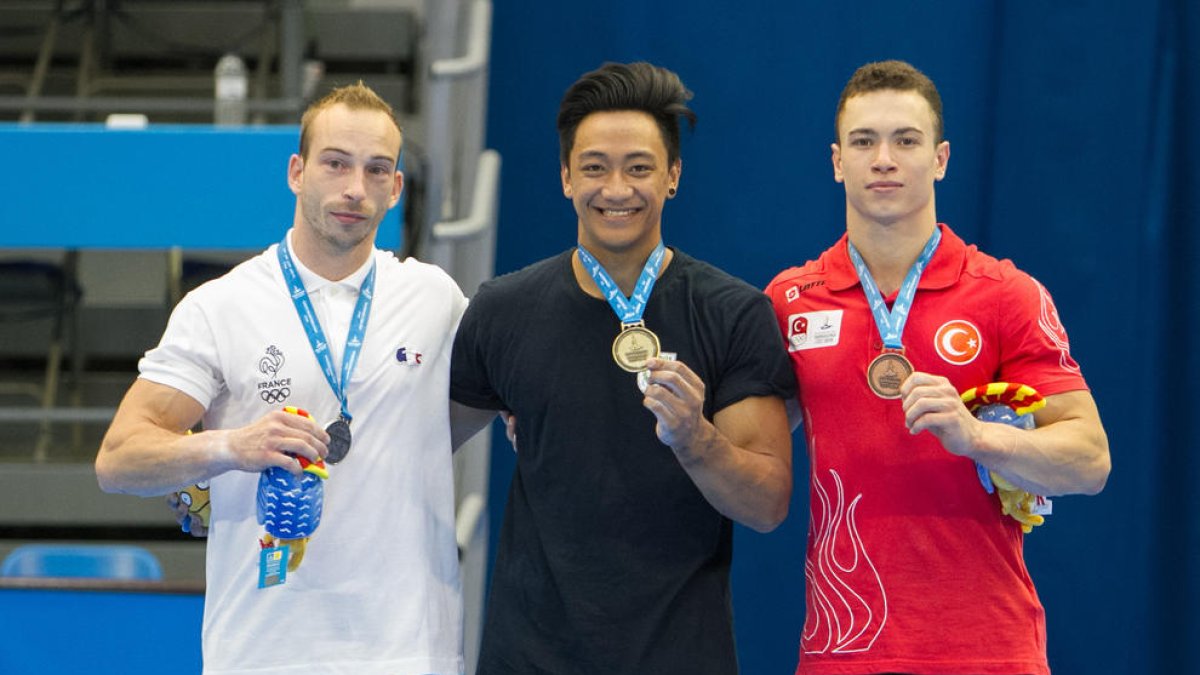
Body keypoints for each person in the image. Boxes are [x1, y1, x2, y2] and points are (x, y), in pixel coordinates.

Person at [95, 82, 468, 675]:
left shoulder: (435, 301)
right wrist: (231, 446)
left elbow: (492, 401)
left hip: (408, 649)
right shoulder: (220, 307)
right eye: (335, 163)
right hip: (263, 651)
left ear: (396, 189)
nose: (354, 188)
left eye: (377, 170)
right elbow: (117, 461)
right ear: (297, 172)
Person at [764, 60, 1112, 675]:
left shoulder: (1005, 293)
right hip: (844, 649)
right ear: (837, 160)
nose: (884, 160)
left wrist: (977, 437)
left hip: (988, 650)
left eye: (906, 140)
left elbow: (1090, 462)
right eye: (864, 142)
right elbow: (746, 452)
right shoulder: (790, 300)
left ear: (941, 158)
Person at [449, 61, 797, 674]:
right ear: (564, 177)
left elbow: (767, 503)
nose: (616, 189)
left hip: (681, 657)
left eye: (639, 167)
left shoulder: (734, 313)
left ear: (673, 177)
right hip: (529, 657)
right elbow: (418, 447)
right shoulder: (502, 311)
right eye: (594, 167)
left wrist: (695, 438)